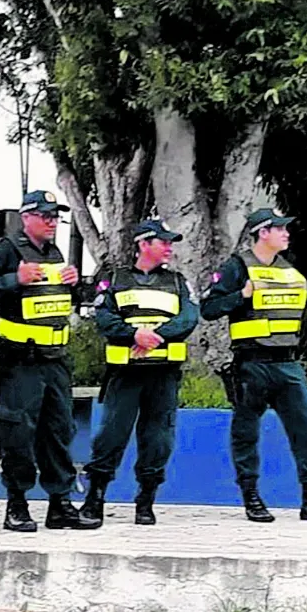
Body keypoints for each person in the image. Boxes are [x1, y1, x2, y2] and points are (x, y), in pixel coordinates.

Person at [201, 208, 307, 523]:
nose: (286, 234)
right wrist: (241, 296)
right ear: (262, 232)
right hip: (250, 363)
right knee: (246, 433)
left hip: (287, 364)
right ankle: (251, 497)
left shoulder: (289, 271)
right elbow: (210, 308)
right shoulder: (237, 267)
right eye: (280, 229)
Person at [0, 189, 98, 532]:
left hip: (55, 360)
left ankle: (60, 504)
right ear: (26, 217)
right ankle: (17, 505)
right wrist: (14, 279)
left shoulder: (54, 252)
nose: (52, 221)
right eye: (45, 215)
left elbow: (57, 302)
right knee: (18, 431)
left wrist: (75, 286)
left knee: (58, 432)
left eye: (55, 215)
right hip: (20, 359)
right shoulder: (6, 250)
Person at [79, 219, 199, 528]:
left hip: (164, 374)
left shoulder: (177, 281)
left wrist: (155, 335)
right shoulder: (114, 279)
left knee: (158, 439)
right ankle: (95, 499)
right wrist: (133, 334)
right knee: (110, 436)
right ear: (144, 244)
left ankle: (146, 501)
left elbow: (189, 317)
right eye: (164, 242)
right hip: (125, 374)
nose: (170, 247)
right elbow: (104, 318)